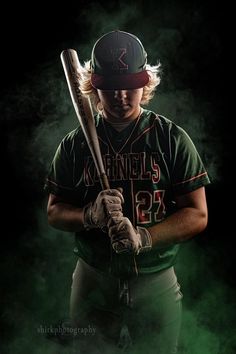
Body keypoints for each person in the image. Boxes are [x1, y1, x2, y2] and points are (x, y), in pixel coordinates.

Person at [45, 30, 210, 354]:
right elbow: (54, 212)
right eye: (110, 85)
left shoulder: (171, 138)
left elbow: (198, 214)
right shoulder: (74, 144)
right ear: (94, 85)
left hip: (156, 280)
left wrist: (144, 238)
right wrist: (89, 216)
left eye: (130, 84)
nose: (121, 94)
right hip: (93, 279)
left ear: (145, 82)